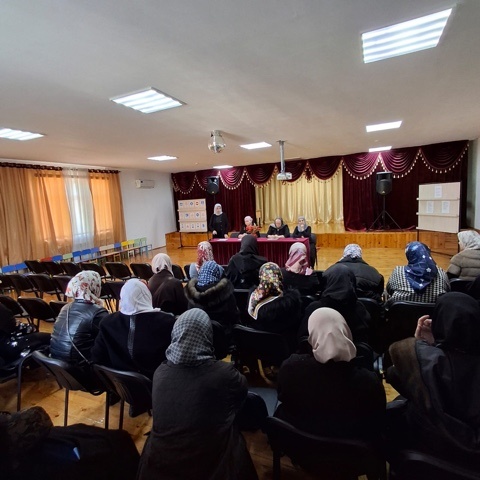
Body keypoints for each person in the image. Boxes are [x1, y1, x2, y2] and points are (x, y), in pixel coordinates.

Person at [136, 308, 258, 480]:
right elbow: (241, 395)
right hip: (214, 467)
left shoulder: (160, 372)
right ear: (208, 335)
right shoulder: (224, 374)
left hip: (157, 466)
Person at [384, 292, 480, 464]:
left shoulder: (430, 361)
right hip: (470, 461)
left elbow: (395, 376)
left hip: (428, 447)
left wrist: (420, 343)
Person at [275, 307, 385, 440]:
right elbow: (377, 422)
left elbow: (283, 397)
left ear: (312, 336)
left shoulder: (290, 368)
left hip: (298, 445)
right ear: (346, 333)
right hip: (350, 450)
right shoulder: (369, 382)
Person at [91, 279, 176, 379]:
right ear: (147, 295)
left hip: (120, 385)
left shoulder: (107, 322)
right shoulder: (167, 322)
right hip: (157, 384)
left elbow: (97, 358)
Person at [298, 264, 374, 370]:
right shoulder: (360, 310)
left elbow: (302, 338)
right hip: (353, 368)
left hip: (314, 366)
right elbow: (369, 341)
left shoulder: (314, 308)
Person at [50, 271, 108, 365]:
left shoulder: (65, 307)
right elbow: (109, 337)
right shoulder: (97, 312)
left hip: (56, 360)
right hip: (79, 364)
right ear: (94, 286)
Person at [247, 262, 302, 348]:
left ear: (261, 277)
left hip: (256, 348)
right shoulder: (290, 303)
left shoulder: (252, 299)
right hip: (285, 349)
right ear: (280, 276)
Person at [386, 241, 449, 306]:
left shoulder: (398, 271)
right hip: (433, 312)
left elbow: (389, 290)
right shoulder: (441, 273)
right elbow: (448, 291)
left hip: (400, 311)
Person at [185, 260, 239, 334]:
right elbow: (234, 317)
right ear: (217, 274)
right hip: (224, 336)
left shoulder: (191, 295)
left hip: (199, 334)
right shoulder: (226, 294)